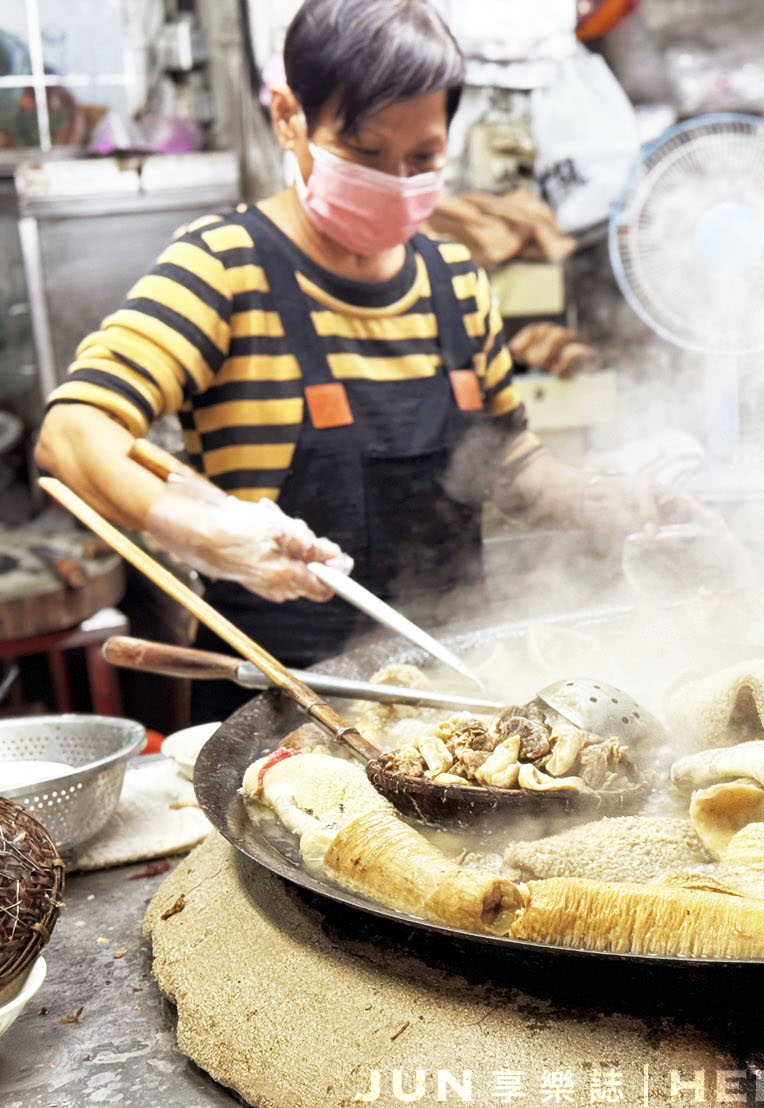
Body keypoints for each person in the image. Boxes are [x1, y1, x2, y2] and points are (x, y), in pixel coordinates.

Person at [35, 0, 715, 722]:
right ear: (288, 117)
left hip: (457, 699)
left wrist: (621, 498)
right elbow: (73, 434)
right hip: (284, 708)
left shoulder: (455, 279)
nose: (396, 180)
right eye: (364, 155)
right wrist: (204, 533)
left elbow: (511, 470)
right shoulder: (223, 267)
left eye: (422, 158)